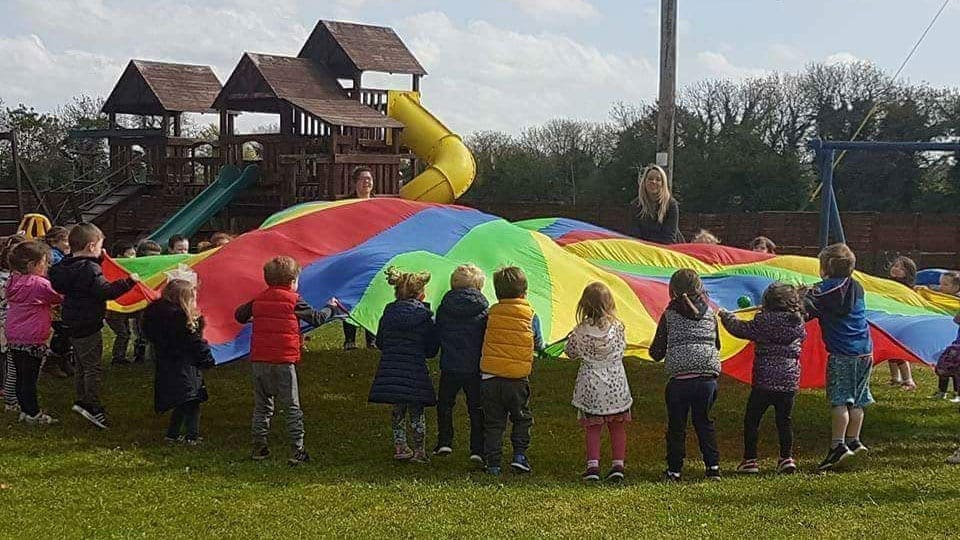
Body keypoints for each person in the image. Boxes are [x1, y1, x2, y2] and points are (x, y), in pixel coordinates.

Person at [234, 256, 340, 465]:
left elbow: (239, 315)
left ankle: (259, 446)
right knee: (291, 405)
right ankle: (297, 449)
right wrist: (331, 307)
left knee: (262, 406)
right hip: (283, 360)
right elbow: (317, 318)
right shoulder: (293, 300)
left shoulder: (259, 299)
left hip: (260, 360)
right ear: (292, 281)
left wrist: (255, 317)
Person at [49, 223, 138, 429]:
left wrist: (97, 259)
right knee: (92, 368)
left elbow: (81, 276)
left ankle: (81, 400)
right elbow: (105, 290)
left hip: (72, 321)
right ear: (91, 246)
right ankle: (93, 406)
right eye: (99, 246)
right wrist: (128, 282)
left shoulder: (65, 266)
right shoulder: (90, 268)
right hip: (88, 323)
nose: (101, 250)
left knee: (81, 364)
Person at [720, 283, 806, 475]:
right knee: (784, 421)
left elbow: (739, 328)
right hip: (788, 381)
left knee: (752, 420)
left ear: (766, 303)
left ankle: (750, 460)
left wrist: (726, 316)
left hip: (764, 382)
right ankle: (786, 458)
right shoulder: (797, 323)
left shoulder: (762, 322)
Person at [803, 243, 873, 471]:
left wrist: (799, 296)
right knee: (858, 399)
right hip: (865, 351)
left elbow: (806, 311)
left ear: (824, 269)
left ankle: (838, 446)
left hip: (843, 354)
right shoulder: (858, 287)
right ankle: (854, 440)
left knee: (840, 400)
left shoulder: (821, 292)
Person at [650, 268, 722, 482]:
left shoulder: (669, 315)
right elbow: (716, 344)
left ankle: (674, 470)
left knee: (677, 425)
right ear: (700, 288)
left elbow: (657, 352)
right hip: (707, 378)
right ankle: (713, 468)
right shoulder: (710, 314)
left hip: (680, 380)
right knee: (704, 421)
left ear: (672, 290)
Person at [369, 266, 439, 463]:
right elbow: (431, 348)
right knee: (417, 412)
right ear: (422, 295)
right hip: (416, 369)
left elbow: (381, 341)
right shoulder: (425, 318)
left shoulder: (389, 314)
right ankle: (419, 451)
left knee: (398, 410)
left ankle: (400, 447)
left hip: (392, 367)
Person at [480, 266, 544, 475]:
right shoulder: (531, 315)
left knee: (494, 422)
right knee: (521, 418)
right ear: (524, 291)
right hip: (517, 379)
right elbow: (538, 343)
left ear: (497, 292)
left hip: (490, 377)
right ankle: (519, 456)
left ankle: (493, 463)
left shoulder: (490, 314)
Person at [566, 282, 632, 482]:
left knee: (593, 427)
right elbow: (622, 347)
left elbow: (571, 352)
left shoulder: (580, 331)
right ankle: (618, 464)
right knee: (617, 426)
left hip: (592, 386)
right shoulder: (618, 328)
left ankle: (593, 466)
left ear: (584, 306)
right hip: (615, 385)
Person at [143, 278, 215, 445]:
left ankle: (172, 435)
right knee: (192, 400)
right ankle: (192, 436)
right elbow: (196, 343)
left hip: (167, 362)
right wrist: (207, 359)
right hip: (185, 365)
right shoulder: (182, 321)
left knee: (182, 401)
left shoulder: (156, 316)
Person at [4, 241, 63, 424]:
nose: (47, 266)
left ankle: (24, 409)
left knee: (21, 377)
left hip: (14, 336)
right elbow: (58, 296)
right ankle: (33, 413)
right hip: (33, 338)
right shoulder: (39, 284)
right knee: (30, 378)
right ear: (32, 265)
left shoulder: (12, 281)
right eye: (44, 262)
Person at [433, 264, 488, 461]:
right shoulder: (483, 309)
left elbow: (438, 332)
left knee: (445, 405)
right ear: (479, 287)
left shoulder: (444, 308)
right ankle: (477, 448)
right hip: (475, 366)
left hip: (450, 364)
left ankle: (444, 442)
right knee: (476, 407)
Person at [343, 167, 378, 351]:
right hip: (353, 256)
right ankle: (350, 339)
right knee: (352, 297)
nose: (367, 182)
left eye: (370, 179)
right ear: (355, 182)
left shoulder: (379, 206)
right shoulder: (345, 205)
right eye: (363, 179)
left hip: (372, 257)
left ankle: (371, 338)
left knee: (372, 296)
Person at [104, 241, 143, 365]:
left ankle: (121, 356)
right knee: (123, 334)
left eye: (134, 254)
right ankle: (118, 358)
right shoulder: (114, 270)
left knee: (126, 332)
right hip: (114, 310)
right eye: (130, 254)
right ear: (120, 257)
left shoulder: (132, 270)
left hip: (124, 308)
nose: (134, 258)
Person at [886, 256, 917, 390]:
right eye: (895, 266)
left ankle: (908, 380)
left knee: (898, 352)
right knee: (889, 350)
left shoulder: (906, 289)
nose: (896, 269)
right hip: (889, 320)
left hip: (901, 322)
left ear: (908, 273)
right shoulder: (886, 284)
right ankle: (895, 378)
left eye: (901, 268)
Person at [1, 235, 24, 412]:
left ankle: (6, 390)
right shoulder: (10, 281)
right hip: (7, 322)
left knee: (7, 358)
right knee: (8, 360)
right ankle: (8, 393)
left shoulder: (12, 279)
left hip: (10, 322)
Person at [633, 165, 680, 244]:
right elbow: (634, 235)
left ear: (663, 183)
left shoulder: (671, 205)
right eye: (650, 179)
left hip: (668, 250)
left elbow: (670, 238)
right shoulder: (636, 205)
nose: (653, 182)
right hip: (643, 250)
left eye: (658, 179)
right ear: (644, 182)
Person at [934, 271, 960, 401]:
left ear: (956, 288)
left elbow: (957, 319)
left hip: (957, 344)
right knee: (945, 365)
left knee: (956, 368)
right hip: (953, 342)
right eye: (940, 284)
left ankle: (957, 394)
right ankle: (941, 391)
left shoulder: (956, 301)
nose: (941, 287)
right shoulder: (937, 298)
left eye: (945, 284)